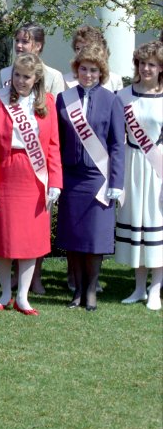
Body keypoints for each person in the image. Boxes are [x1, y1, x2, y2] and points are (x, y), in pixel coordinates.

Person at [0, 53, 62, 316]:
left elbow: (53, 147)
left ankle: (23, 297)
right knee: (4, 239)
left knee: (29, 241)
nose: (20, 81)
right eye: (17, 75)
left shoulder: (47, 102)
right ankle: (5, 293)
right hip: (6, 175)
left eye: (26, 77)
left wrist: (55, 182)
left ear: (36, 78)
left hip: (35, 178)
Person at [0, 23, 65, 294]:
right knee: (9, 228)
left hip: (37, 162)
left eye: (26, 41)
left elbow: (53, 126)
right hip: (10, 162)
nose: (20, 46)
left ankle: (34, 278)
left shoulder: (54, 77)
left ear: (39, 45)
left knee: (34, 229)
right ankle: (11, 282)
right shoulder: (4, 74)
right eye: (17, 41)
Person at [55, 44, 125, 311]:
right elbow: (57, 141)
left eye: (93, 70)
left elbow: (117, 145)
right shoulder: (65, 99)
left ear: (101, 72)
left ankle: (91, 290)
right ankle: (77, 290)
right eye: (83, 69)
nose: (88, 74)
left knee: (94, 239)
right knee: (74, 238)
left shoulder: (112, 100)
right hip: (72, 177)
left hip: (99, 178)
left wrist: (117, 183)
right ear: (77, 69)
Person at [114, 41, 163, 310]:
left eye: (152, 64)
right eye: (142, 63)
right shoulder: (123, 96)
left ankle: (156, 289)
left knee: (157, 225)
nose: (146, 68)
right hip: (133, 164)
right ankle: (138, 288)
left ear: (160, 68)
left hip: (158, 168)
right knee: (138, 225)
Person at [64, 26, 124, 92]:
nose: (80, 52)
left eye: (85, 48)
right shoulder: (65, 79)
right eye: (77, 48)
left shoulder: (114, 80)